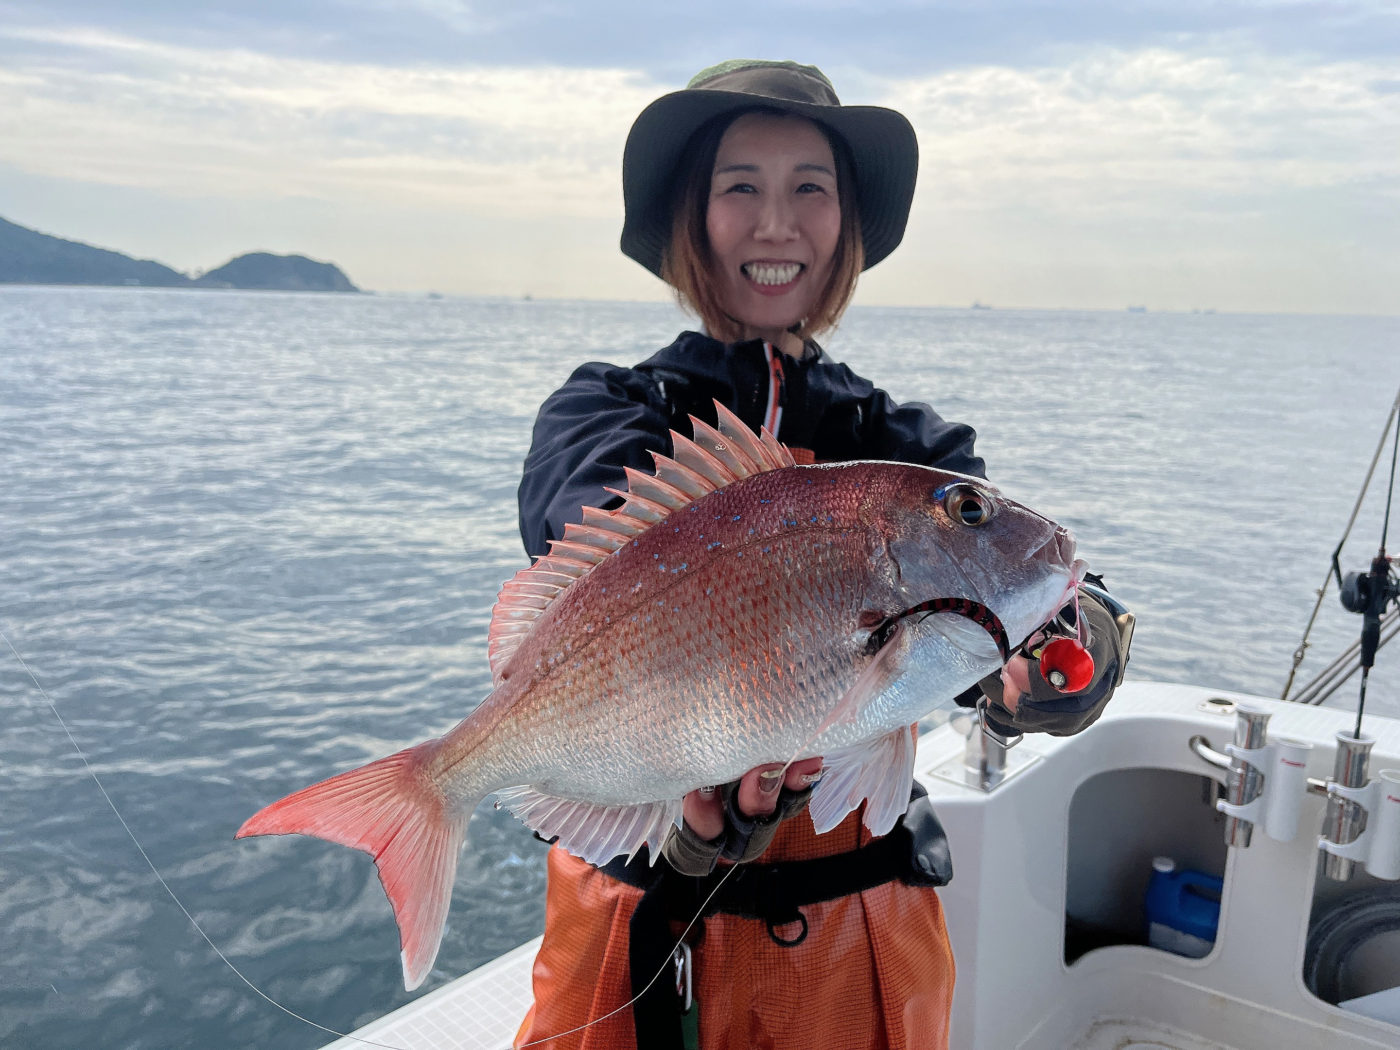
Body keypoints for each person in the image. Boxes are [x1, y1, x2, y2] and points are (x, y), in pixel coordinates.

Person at [512, 59, 1126, 1050]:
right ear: (689, 215)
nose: (773, 222)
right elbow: (587, 542)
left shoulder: (915, 453)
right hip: (642, 911)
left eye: (810, 188)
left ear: (845, 225)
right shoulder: (605, 412)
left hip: (853, 931)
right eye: (738, 186)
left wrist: (1072, 646)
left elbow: (1009, 597)